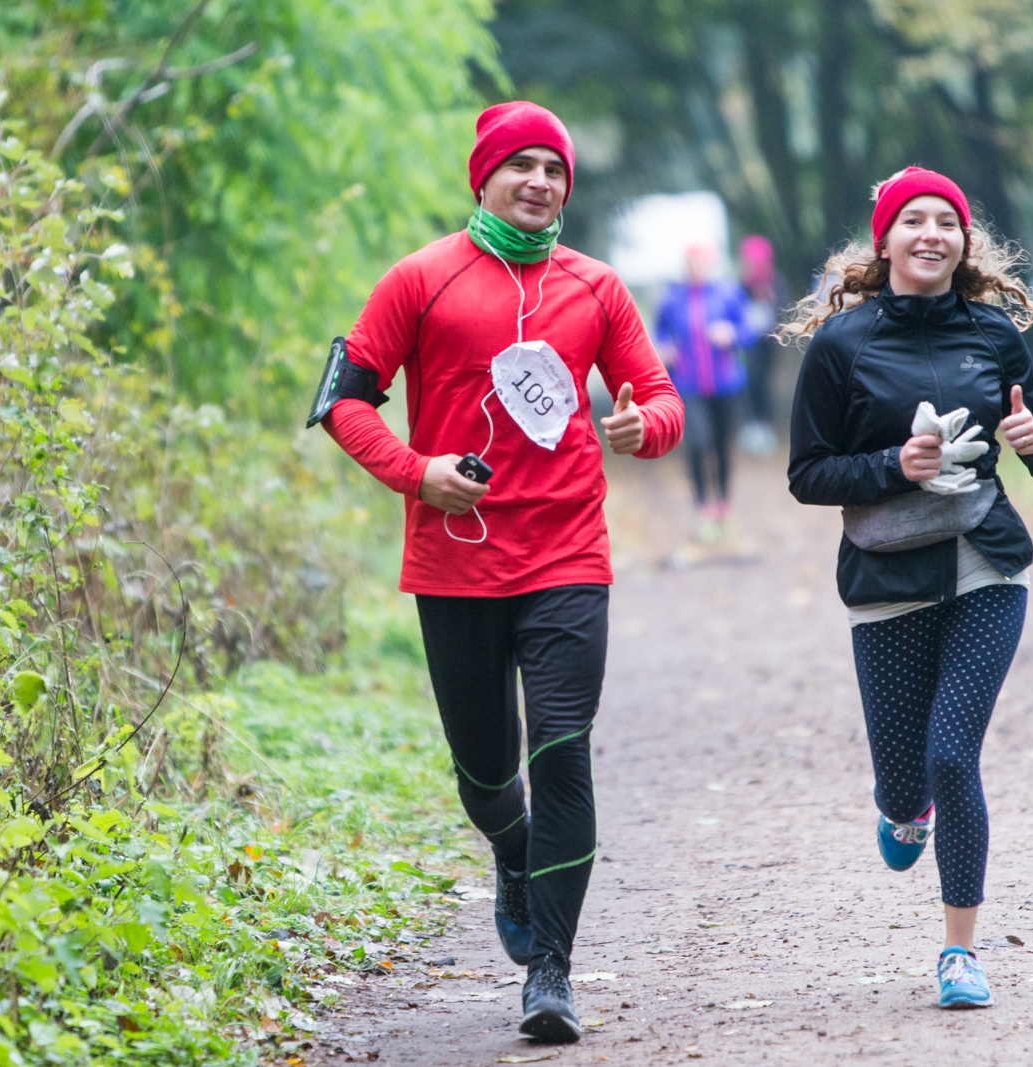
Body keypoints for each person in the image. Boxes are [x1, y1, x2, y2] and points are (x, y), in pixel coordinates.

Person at [321, 101, 684, 1043]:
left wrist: (643, 426)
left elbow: (661, 398)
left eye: (555, 169)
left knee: (562, 750)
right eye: (521, 165)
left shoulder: (596, 287)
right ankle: (511, 848)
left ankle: (550, 970)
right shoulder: (421, 278)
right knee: (487, 775)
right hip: (455, 562)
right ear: (483, 178)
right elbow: (343, 403)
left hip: (567, 554)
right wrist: (418, 473)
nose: (539, 181)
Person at [784, 167, 1033, 1009]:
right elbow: (807, 473)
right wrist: (894, 466)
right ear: (885, 240)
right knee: (908, 782)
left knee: (953, 755)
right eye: (913, 220)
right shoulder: (843, 345)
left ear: (963, 242)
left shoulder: (992, 334)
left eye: (946, 221)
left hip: (987, 563)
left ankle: (959, 952)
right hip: (887, 576)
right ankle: (902, 807)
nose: (931, 234)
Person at [654, 244, 759, 540]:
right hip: (688, 385)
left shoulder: (728, 293)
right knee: (698, 445)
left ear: (710, 264)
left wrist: (731, 334)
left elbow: (749, 331)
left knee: (723, 446)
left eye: (699, 262)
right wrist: (665, 348)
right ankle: (703, 510)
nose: (694, 268)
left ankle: (723, 507)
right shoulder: (672, 298)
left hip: (726, 384)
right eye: (690, 262)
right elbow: (660, 332)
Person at [735, 235, 789, 455]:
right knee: (749, 383)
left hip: (769, 343)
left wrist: (770, 300)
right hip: (748, 344)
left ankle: (765, 426)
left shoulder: (775, 281)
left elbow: (783, 309)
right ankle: (751, 426)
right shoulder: (741, 284)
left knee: (764, 383)